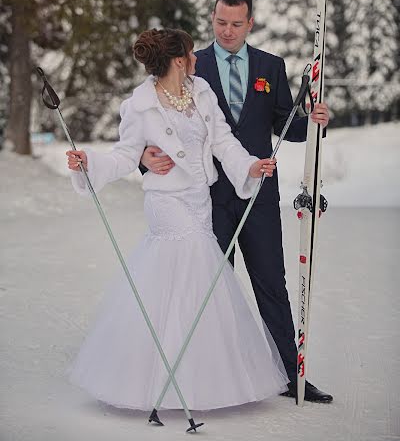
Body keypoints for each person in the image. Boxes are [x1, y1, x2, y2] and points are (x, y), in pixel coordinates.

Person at [65, 27, 290, 411]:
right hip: (167, 201)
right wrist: (90, 164)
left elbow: (223, 142)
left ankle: (202, 378)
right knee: (189, 268)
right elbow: (124, 154)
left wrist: (250, 167)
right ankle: (158, 381)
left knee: (200, 284)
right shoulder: (140, 105)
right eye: (191, 52)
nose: (197, 58)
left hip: (199, 200)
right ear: (178, 59)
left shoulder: (201, 93)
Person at [141, 0, 333, 403]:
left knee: (272, 285)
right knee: (212, 287)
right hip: (205, 197)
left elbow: (286, 126)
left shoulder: (270, 66)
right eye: (220, 22)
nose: (227, 31)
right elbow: (156, 123)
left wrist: (312, 120)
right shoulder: (192, 65)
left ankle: (289, 375)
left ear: (250, 23)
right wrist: (144, 156)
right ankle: (211, 376)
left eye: (236, 24)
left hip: (258, 193)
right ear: (212, 18)